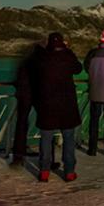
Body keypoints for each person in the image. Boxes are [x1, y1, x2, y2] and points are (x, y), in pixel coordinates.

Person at [31, 32, 83, 182]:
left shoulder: (43, 58)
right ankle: (69, 171)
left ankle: (44, 171)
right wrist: (68, 50)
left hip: (47, 105)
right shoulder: (67, 57)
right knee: (68, 139)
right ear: (62, 43)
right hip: (67, 105)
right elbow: (78, 68)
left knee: (46, 139)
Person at [11, 43, 43, 166]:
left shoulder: (24, 62)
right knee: (46, 125)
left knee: (21, 123)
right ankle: (47, 157)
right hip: (38, 95)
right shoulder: (41, 62)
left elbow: (19, 79)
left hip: (23, 95)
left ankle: (18, 155)